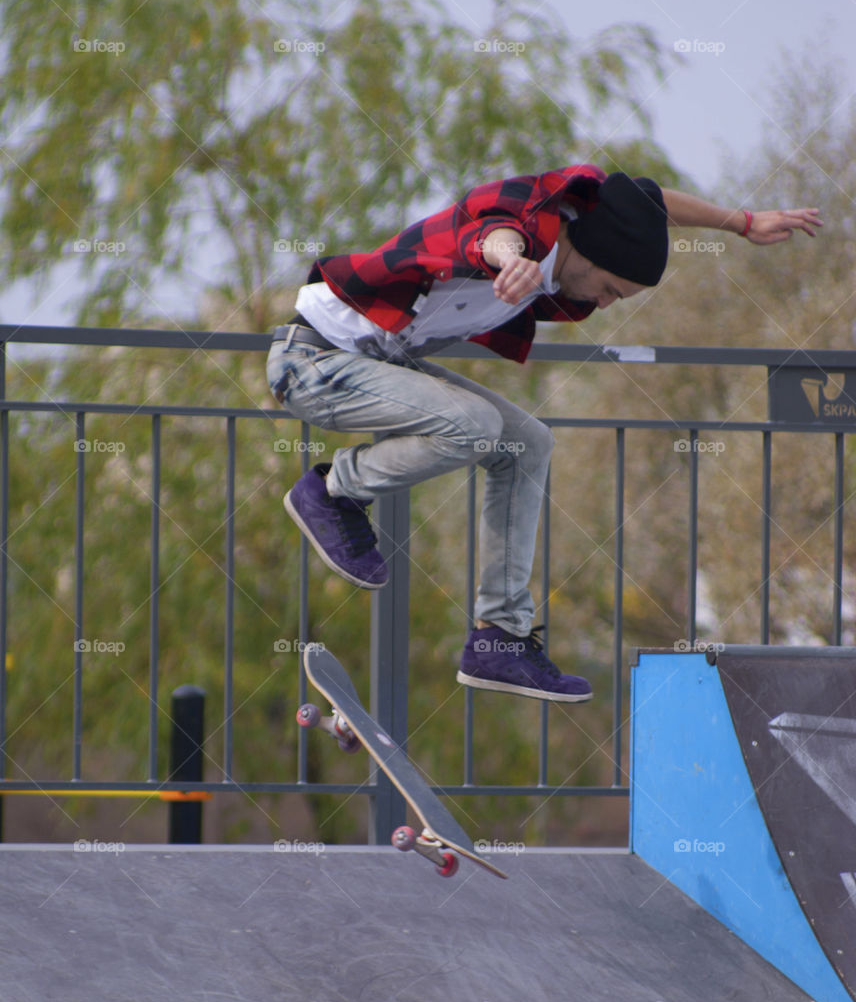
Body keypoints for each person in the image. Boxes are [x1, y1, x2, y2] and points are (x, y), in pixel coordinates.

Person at [267, 165, 821, 702]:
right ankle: (333, 490)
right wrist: (512, 261)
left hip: (378, 365)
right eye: (609, 289)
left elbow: (651, 202)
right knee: (476, 425)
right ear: (594, 256)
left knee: (526, 442)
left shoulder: (591, 214)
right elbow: (489, 232)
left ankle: (499, 637)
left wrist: (742, 223)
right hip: (312, 362)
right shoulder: (528, 222)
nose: (602, 304)